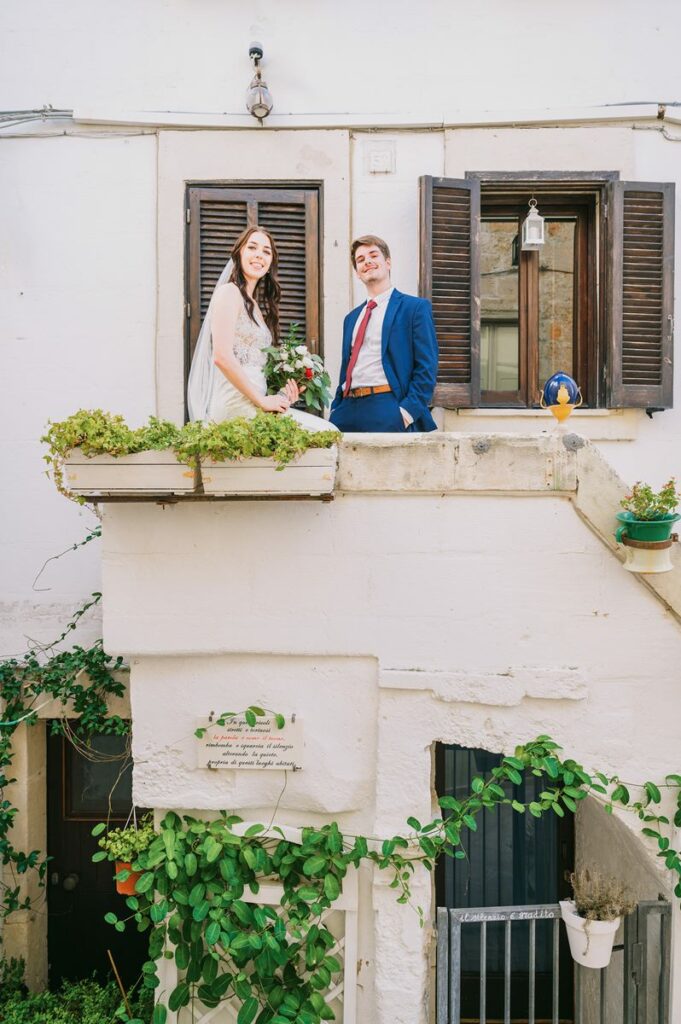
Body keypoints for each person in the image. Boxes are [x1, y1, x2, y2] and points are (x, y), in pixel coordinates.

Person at [187, 225, 333, 432]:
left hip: (256, 403)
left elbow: (254, 369)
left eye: (266, 251)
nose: (259, 255)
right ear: (239, 253)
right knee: (326, 432)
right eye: (252, 248)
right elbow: (222, 356)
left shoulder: (254, 306)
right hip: (235, 405)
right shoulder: (229, 293)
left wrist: (282, 396)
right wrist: (262, 402)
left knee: (327, 432)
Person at [329, 235, 438, 433]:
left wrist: (406, 413)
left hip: (387, 406)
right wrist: (336, 407)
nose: (367, 261)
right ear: (357, 273)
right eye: (360, 260)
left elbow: (427, 368)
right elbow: (347, 368)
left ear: (388, 263)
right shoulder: (351, 318)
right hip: (346, 410)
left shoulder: (414, 308)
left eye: (373, 255)